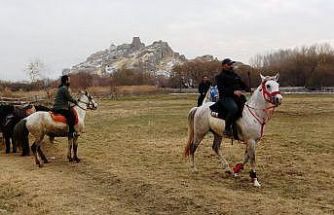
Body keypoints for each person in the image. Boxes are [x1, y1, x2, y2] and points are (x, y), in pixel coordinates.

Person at [212, 58, 249, 137]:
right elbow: (222, 90)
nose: (231, 65)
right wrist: (233, 92)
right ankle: (227, 129)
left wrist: (247, 87)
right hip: (225, 98)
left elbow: (242, 84)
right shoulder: (219, 77)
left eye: (231, 64)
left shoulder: (235, 75)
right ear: (223, 66)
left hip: (237, 97)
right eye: (229, 64)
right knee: (234, 108)